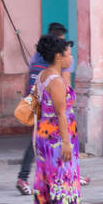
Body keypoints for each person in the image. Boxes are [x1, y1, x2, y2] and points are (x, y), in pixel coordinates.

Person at [30, 34, 83, 204]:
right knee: (64, 180)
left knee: (45, 180)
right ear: (59, 57)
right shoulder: (56, 81)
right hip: (57, 138)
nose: (71, 58)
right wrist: (67, 142)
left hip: (44, 135)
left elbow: (37, 108)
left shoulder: (42, 76)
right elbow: (61, 113)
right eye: (69, 54)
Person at [16, 22, 69, 195]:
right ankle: (26, 177)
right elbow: (64, 92)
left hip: (38, 106)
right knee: (45, 145)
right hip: (49, 112)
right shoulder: (54, 68)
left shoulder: (37, 60)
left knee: (37, 143)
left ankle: (28, 178)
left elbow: (29, 81)